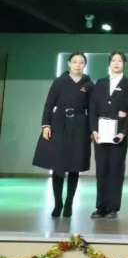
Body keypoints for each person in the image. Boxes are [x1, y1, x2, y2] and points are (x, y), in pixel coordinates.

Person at [33, 52, 94, 218]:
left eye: (81, 62)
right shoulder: (59, 81)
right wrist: (46, 125)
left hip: (80, 125)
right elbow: (49, 104)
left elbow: (92, 109)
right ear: (69, 63)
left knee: (75, 166)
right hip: (59, 124)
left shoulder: (89, 84)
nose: (78, 65)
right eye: (75, 62)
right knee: (58, 165)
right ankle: (57, 203)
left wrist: (91, 129)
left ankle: (69, 204)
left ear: (85, 65)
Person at [89, 51, 128, 220]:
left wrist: (124, 132)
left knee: (116, 170)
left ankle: (113, 207)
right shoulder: (100, 83)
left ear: (125, 64)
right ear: (109, 63)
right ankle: (100, 206)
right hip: (100, 134)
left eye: (120, 61)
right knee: (102, 170)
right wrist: (94, 130)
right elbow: (93, 107)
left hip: (118, 134)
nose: (116, 63)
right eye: (113, 60)